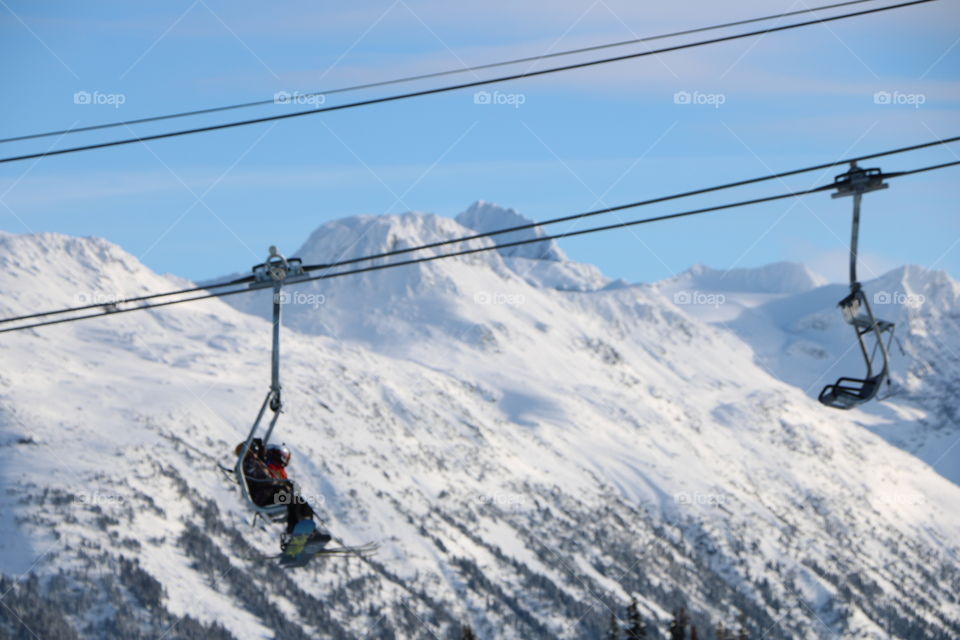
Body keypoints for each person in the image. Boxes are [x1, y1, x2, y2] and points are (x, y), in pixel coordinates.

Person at [235, 440, 330, 549]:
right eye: (254, 452)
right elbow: (263, 480)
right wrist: (281, 484)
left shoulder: (256, 463)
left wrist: (283, 485)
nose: (256, 454)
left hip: (269, 494)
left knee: (301, 503)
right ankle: (293, 533)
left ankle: (309, 531)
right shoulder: (249, 464)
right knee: (294, 501)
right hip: (264, 496)